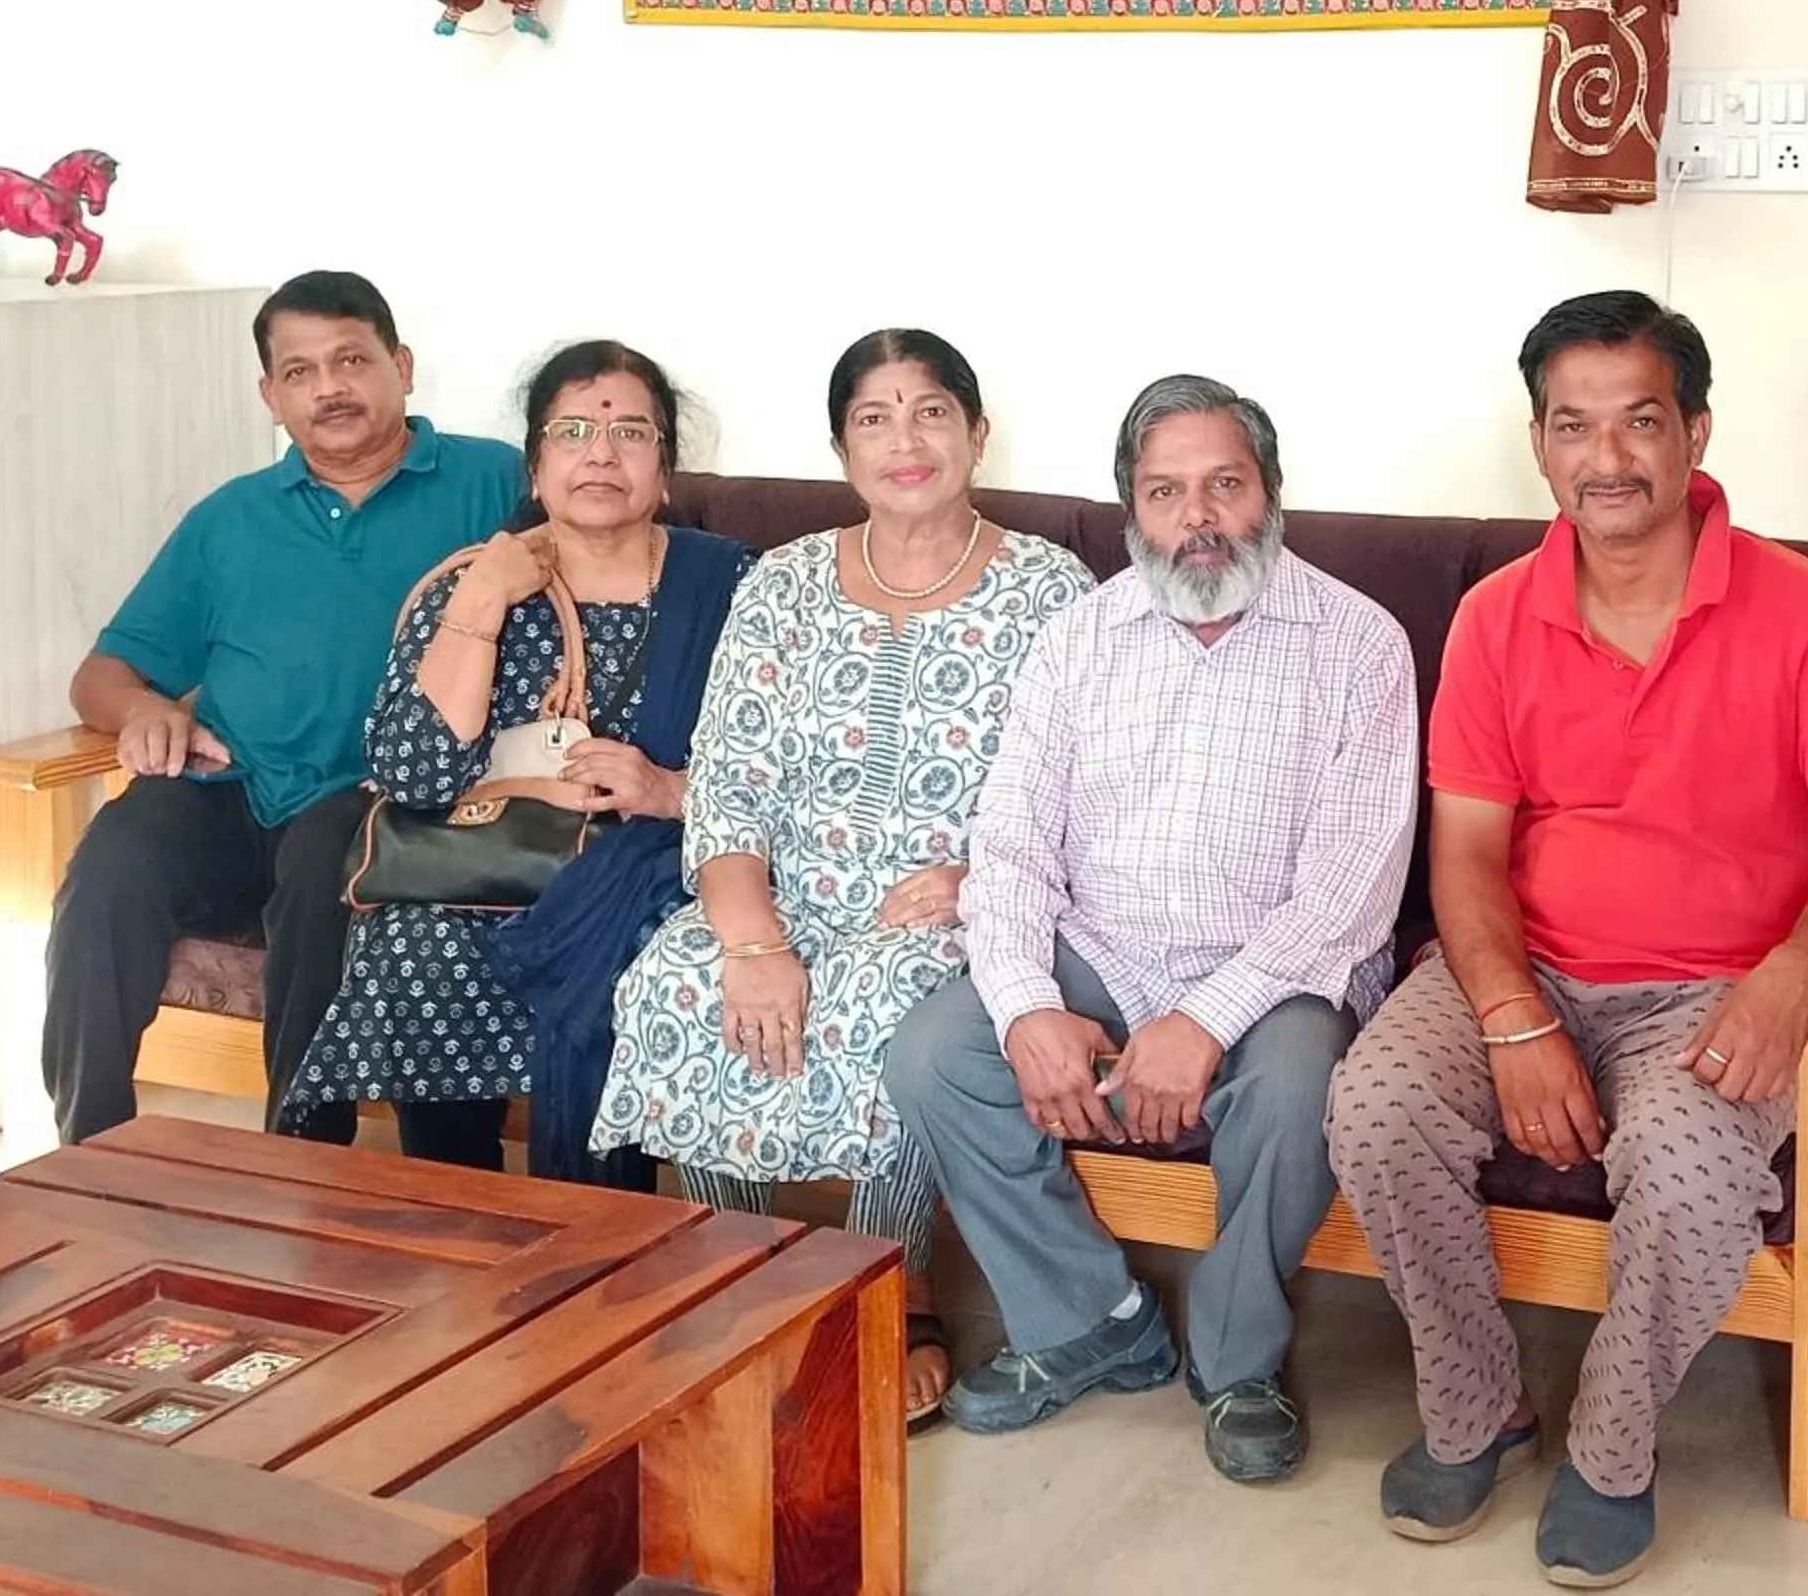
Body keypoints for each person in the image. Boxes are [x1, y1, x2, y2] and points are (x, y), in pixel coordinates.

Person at [1326, 291, 1808, 1588]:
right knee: (1374, 1104)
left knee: (1689, 1166)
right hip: (1526, 965)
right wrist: (1514, 1017)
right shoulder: (1494, 616)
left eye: (1640, 421)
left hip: (1718, 986)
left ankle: (1612, 1447)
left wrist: (1795, 976)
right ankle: (1478, 1406)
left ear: (1695, 433)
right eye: (1573, 425)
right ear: (1539, 444)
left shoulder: (1804, 609)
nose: (1607, 456)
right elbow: (1466, 854)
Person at [886, 375, 1418, 1485]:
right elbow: (1012, 842)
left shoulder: (1359, 642)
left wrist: (1206, 1021)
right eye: (1166, 491)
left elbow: (1350, 893)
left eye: (1226, 484)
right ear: (1133, 508)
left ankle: (1238, 1363)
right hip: (1106, 950)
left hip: (1278, 971)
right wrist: (1027, 1009)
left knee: (1296, 1084)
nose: (1199, 516)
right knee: (936, 1053)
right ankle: (1091, 1320)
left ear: (1272, 491)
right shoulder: (1080, 636)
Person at [589, 330, 1094, 1429]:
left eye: (930, 412)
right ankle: (744, 1274)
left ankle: (893, 1295)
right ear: (840, 448)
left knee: (889, 1009)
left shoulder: (1052, 590)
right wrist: (752, 940)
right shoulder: (781, 584)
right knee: (676, 982)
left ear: (976, 433)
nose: (904, 440)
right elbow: (729, 784)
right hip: (788, 891)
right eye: (874, 418)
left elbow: (1090, 786)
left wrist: (983, 875)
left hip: (952, 903)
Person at [41, 272, 521, 1146]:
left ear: (402, 366)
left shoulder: (494, 484)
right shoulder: (229, 520)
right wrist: (145, 711)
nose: (328, 388)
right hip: (228, 785)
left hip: (384, 802)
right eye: (299, 372)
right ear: (271, 396)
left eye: (351, 360)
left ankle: (301, 1162)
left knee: (319, 862)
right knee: (113, 862)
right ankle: (88, 1151)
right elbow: (102, 674)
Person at [280, 342, 749, 1184]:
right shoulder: (470, 583)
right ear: (535, 466)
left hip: (656, 867)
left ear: (665, 471)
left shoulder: (735, 589)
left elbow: (797, 763)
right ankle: (462, 1205)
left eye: (630, 433)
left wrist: (673, 790)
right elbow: (416, 777)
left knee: (621, 947)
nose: (600, 453)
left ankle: (601, 1229)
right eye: (572, 431)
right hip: (484, 870)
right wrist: (485, 602)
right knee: (413, 940)